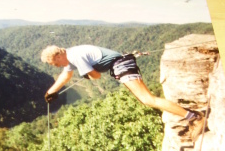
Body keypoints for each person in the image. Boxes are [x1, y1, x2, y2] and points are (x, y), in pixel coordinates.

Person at [40, 44, 205, 142]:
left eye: (55, 63)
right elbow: (66, 75)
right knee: (147, 99)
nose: (56, 66)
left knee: (148, 99)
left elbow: (96, 77)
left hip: (121, 65)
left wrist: (88, 74)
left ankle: (196, 118)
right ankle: (192, 116)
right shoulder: (71, 54)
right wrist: (51, 92)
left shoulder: (75, 57)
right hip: (121, 64)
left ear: (59, 55)